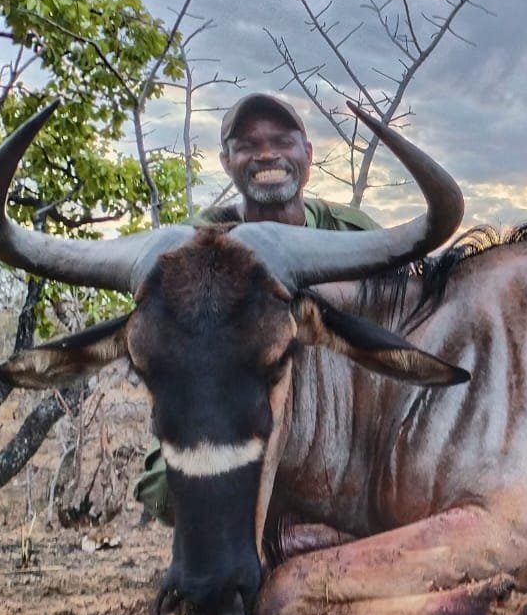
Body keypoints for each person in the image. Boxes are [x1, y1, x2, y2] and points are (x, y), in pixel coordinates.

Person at [133, 93, 379, 525]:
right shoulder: (194, 248)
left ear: (308, 152)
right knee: (171, 489)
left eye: (283, 141)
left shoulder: (355, 233)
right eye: (247, 145)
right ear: (226, 160)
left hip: (348, 419)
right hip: (235, 412)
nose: (267, 154)